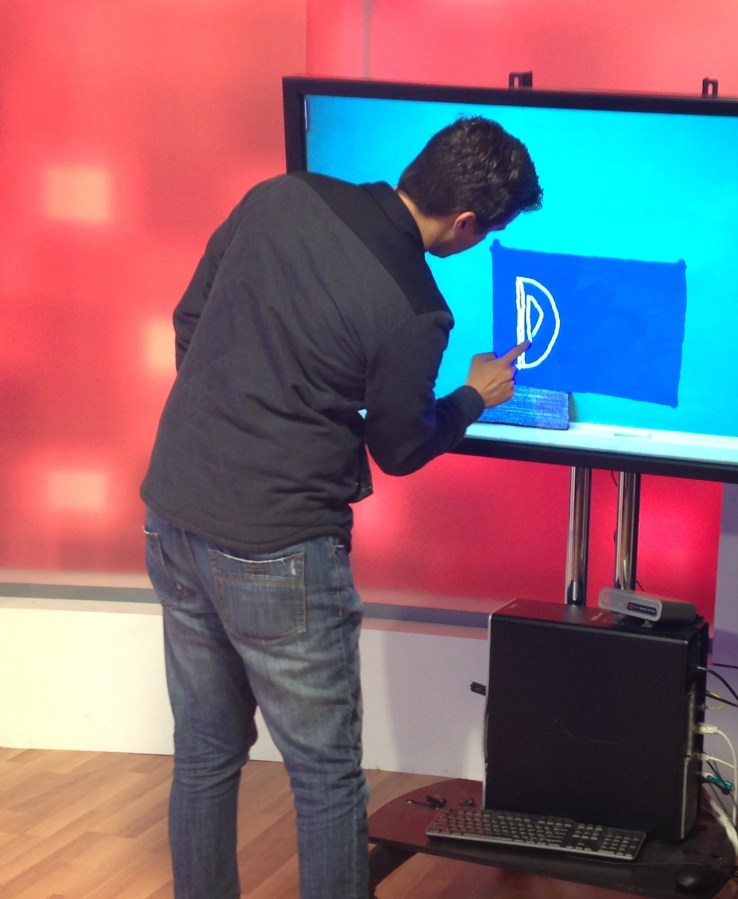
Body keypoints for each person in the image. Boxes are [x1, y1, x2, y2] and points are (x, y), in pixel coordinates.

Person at [140, 116, 542, 899]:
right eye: (489, 233)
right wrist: (474, 395)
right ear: (467, 222)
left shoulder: (280, 196)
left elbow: (191, 319)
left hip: (175, 510)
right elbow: (401, 445)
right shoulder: (416, 309)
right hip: (280, 546)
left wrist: (240, 414)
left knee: (205, 751)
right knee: (324, 777)